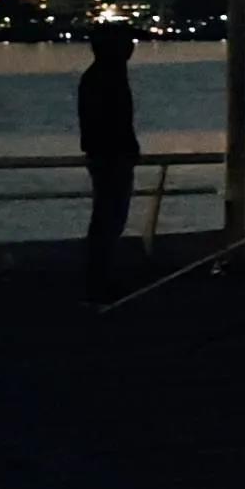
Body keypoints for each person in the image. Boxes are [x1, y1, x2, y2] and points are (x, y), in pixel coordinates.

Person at [78, 25, 141, 302]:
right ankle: (99, 280)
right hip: (112, 157)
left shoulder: (98, 77)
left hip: (107, 156)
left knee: (107, 218)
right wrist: (127, 147)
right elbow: (116, 121)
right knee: (110, 218)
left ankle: (99, 277)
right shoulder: (109, 78)